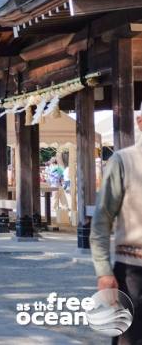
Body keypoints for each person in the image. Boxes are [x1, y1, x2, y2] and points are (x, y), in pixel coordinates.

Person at [91, 107, 142, 345]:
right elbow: (102, 220)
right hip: (133, 273)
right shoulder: (124, 161)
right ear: (140, 122)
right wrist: (103, 271)